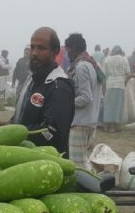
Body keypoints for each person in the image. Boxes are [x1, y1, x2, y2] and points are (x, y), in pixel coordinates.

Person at [12, 27, 75, 155]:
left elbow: (51, 133)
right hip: (24, 157)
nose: (34, 53)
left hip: (46, 163)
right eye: (33, 47)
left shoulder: (59, 86)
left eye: (41, 48)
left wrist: (14, 132)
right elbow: (26, 113)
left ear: (55, 51)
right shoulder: (33, 79)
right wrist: (12, 122)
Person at [65, 33, 104, 168]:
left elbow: (86, 97)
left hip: (80, 122)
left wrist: (66, 103)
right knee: (82, 159)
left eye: (68, 50)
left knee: (77, 164)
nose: (67, 54)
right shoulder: (93, 63)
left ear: (74, 48)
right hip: (90, 120)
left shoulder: (81, 67)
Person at [102, 46, 130, 133]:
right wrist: (124, 83)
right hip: (120, 84)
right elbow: (128, 74)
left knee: (108, 105)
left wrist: (104, 85)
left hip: (110, 83)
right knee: (117, 106)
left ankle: (106, 126)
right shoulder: (124, 59)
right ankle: (114, 126)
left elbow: (104, 74)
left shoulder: (107, 59)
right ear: (120, 51)